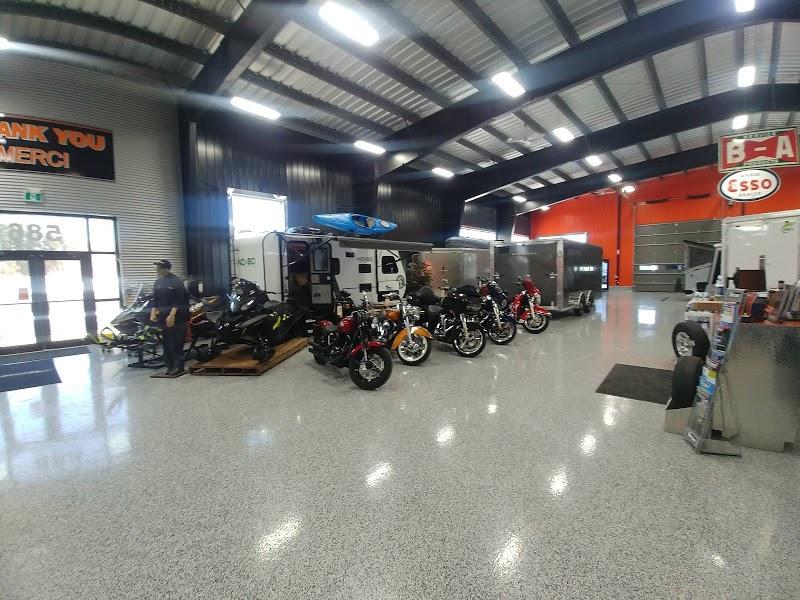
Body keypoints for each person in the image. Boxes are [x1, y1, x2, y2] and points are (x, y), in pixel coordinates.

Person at [150, 259, 189, 376]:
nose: (156, 269)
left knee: (177, 341)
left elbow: (179, 300)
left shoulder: (176, 281)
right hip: (163, 316)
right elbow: (155, 299)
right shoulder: (158, 282)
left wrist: (172, 315)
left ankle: (178, 366)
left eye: (159, 267)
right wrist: (153, 312)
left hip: (178, 317)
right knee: (166, 342)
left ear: (165, 268)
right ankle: (169, 365)